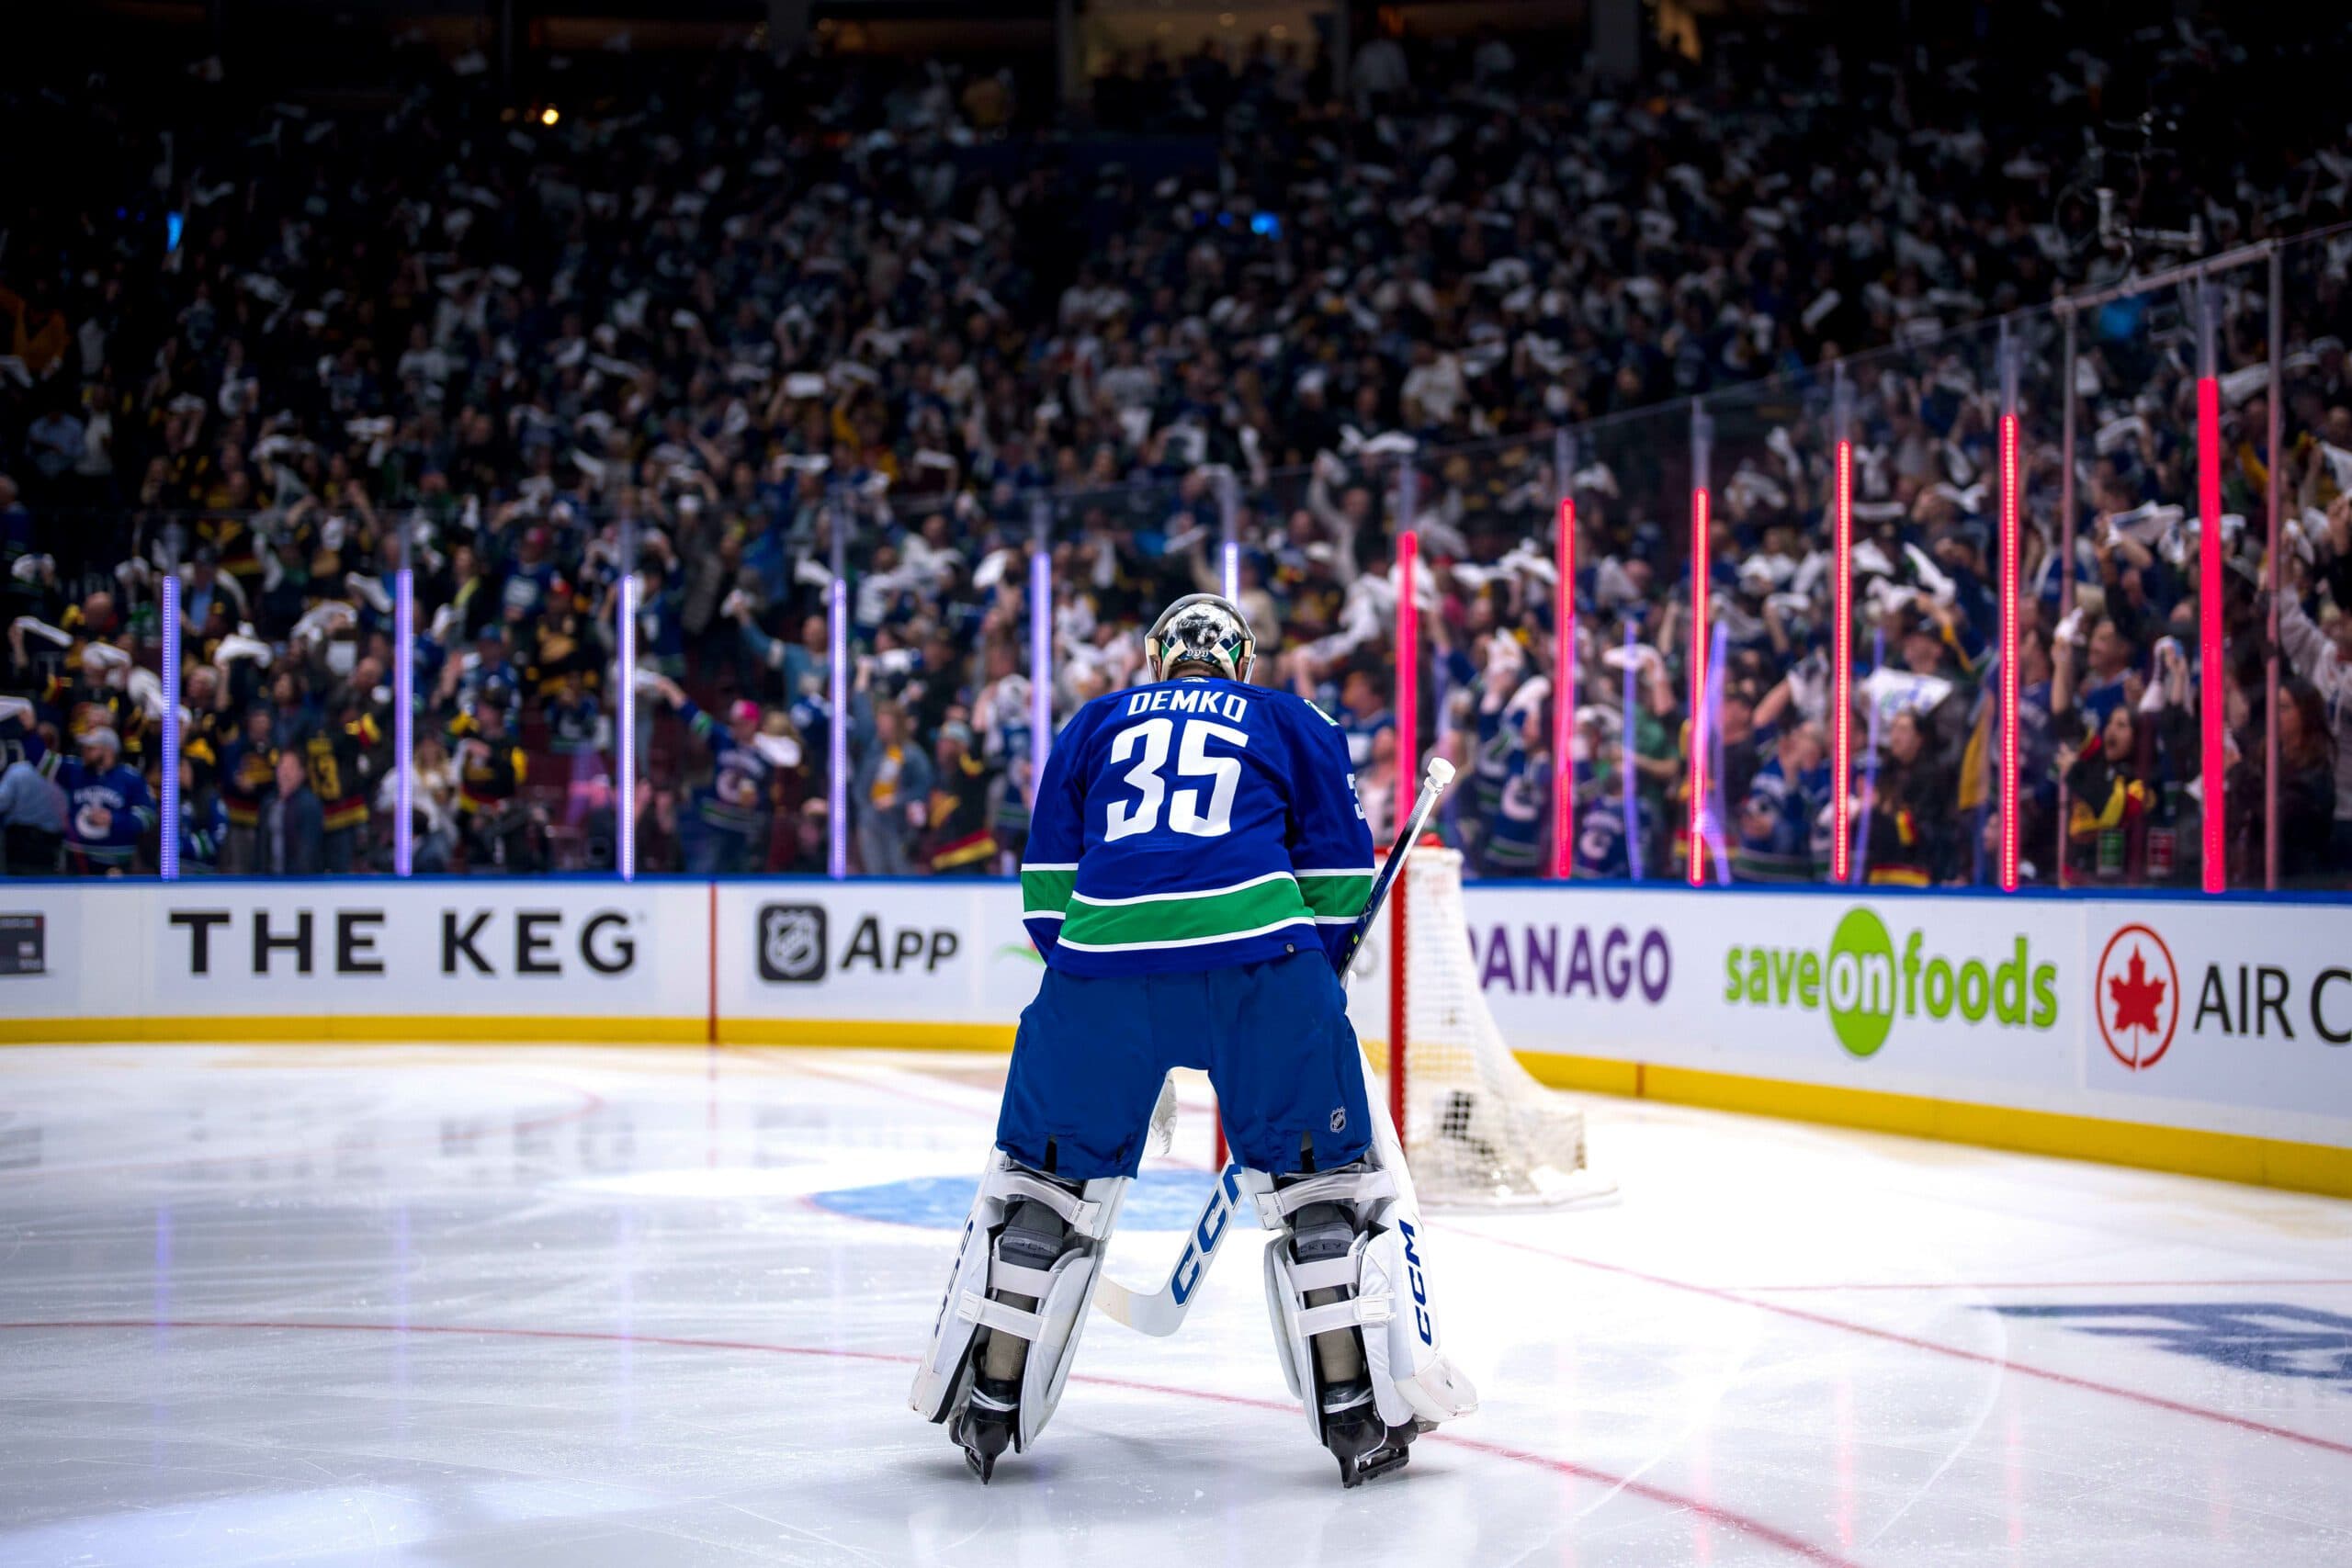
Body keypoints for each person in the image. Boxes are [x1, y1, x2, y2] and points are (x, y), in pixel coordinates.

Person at [911, 593, 1476, 1487]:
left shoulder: (1093, 720)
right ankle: (1355, 1413)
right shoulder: (1294, 717)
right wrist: (1301, 983)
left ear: (1156, 656)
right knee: (1321, 1190)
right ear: (1240, 659)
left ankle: (989, 1395)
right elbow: (1336, 880)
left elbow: (1049, 895)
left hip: (1099, 973)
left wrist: (1100, 993)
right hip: (1260, 965)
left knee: (1044, 1188)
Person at [255, 750, 324, 876]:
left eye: (291, 768)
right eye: (282, 767)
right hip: (270, 879)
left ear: (301, 773)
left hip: (298, 881)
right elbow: (261, 846)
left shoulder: (309, 804)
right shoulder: (269, 803)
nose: (285, 773)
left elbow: (308, 849)